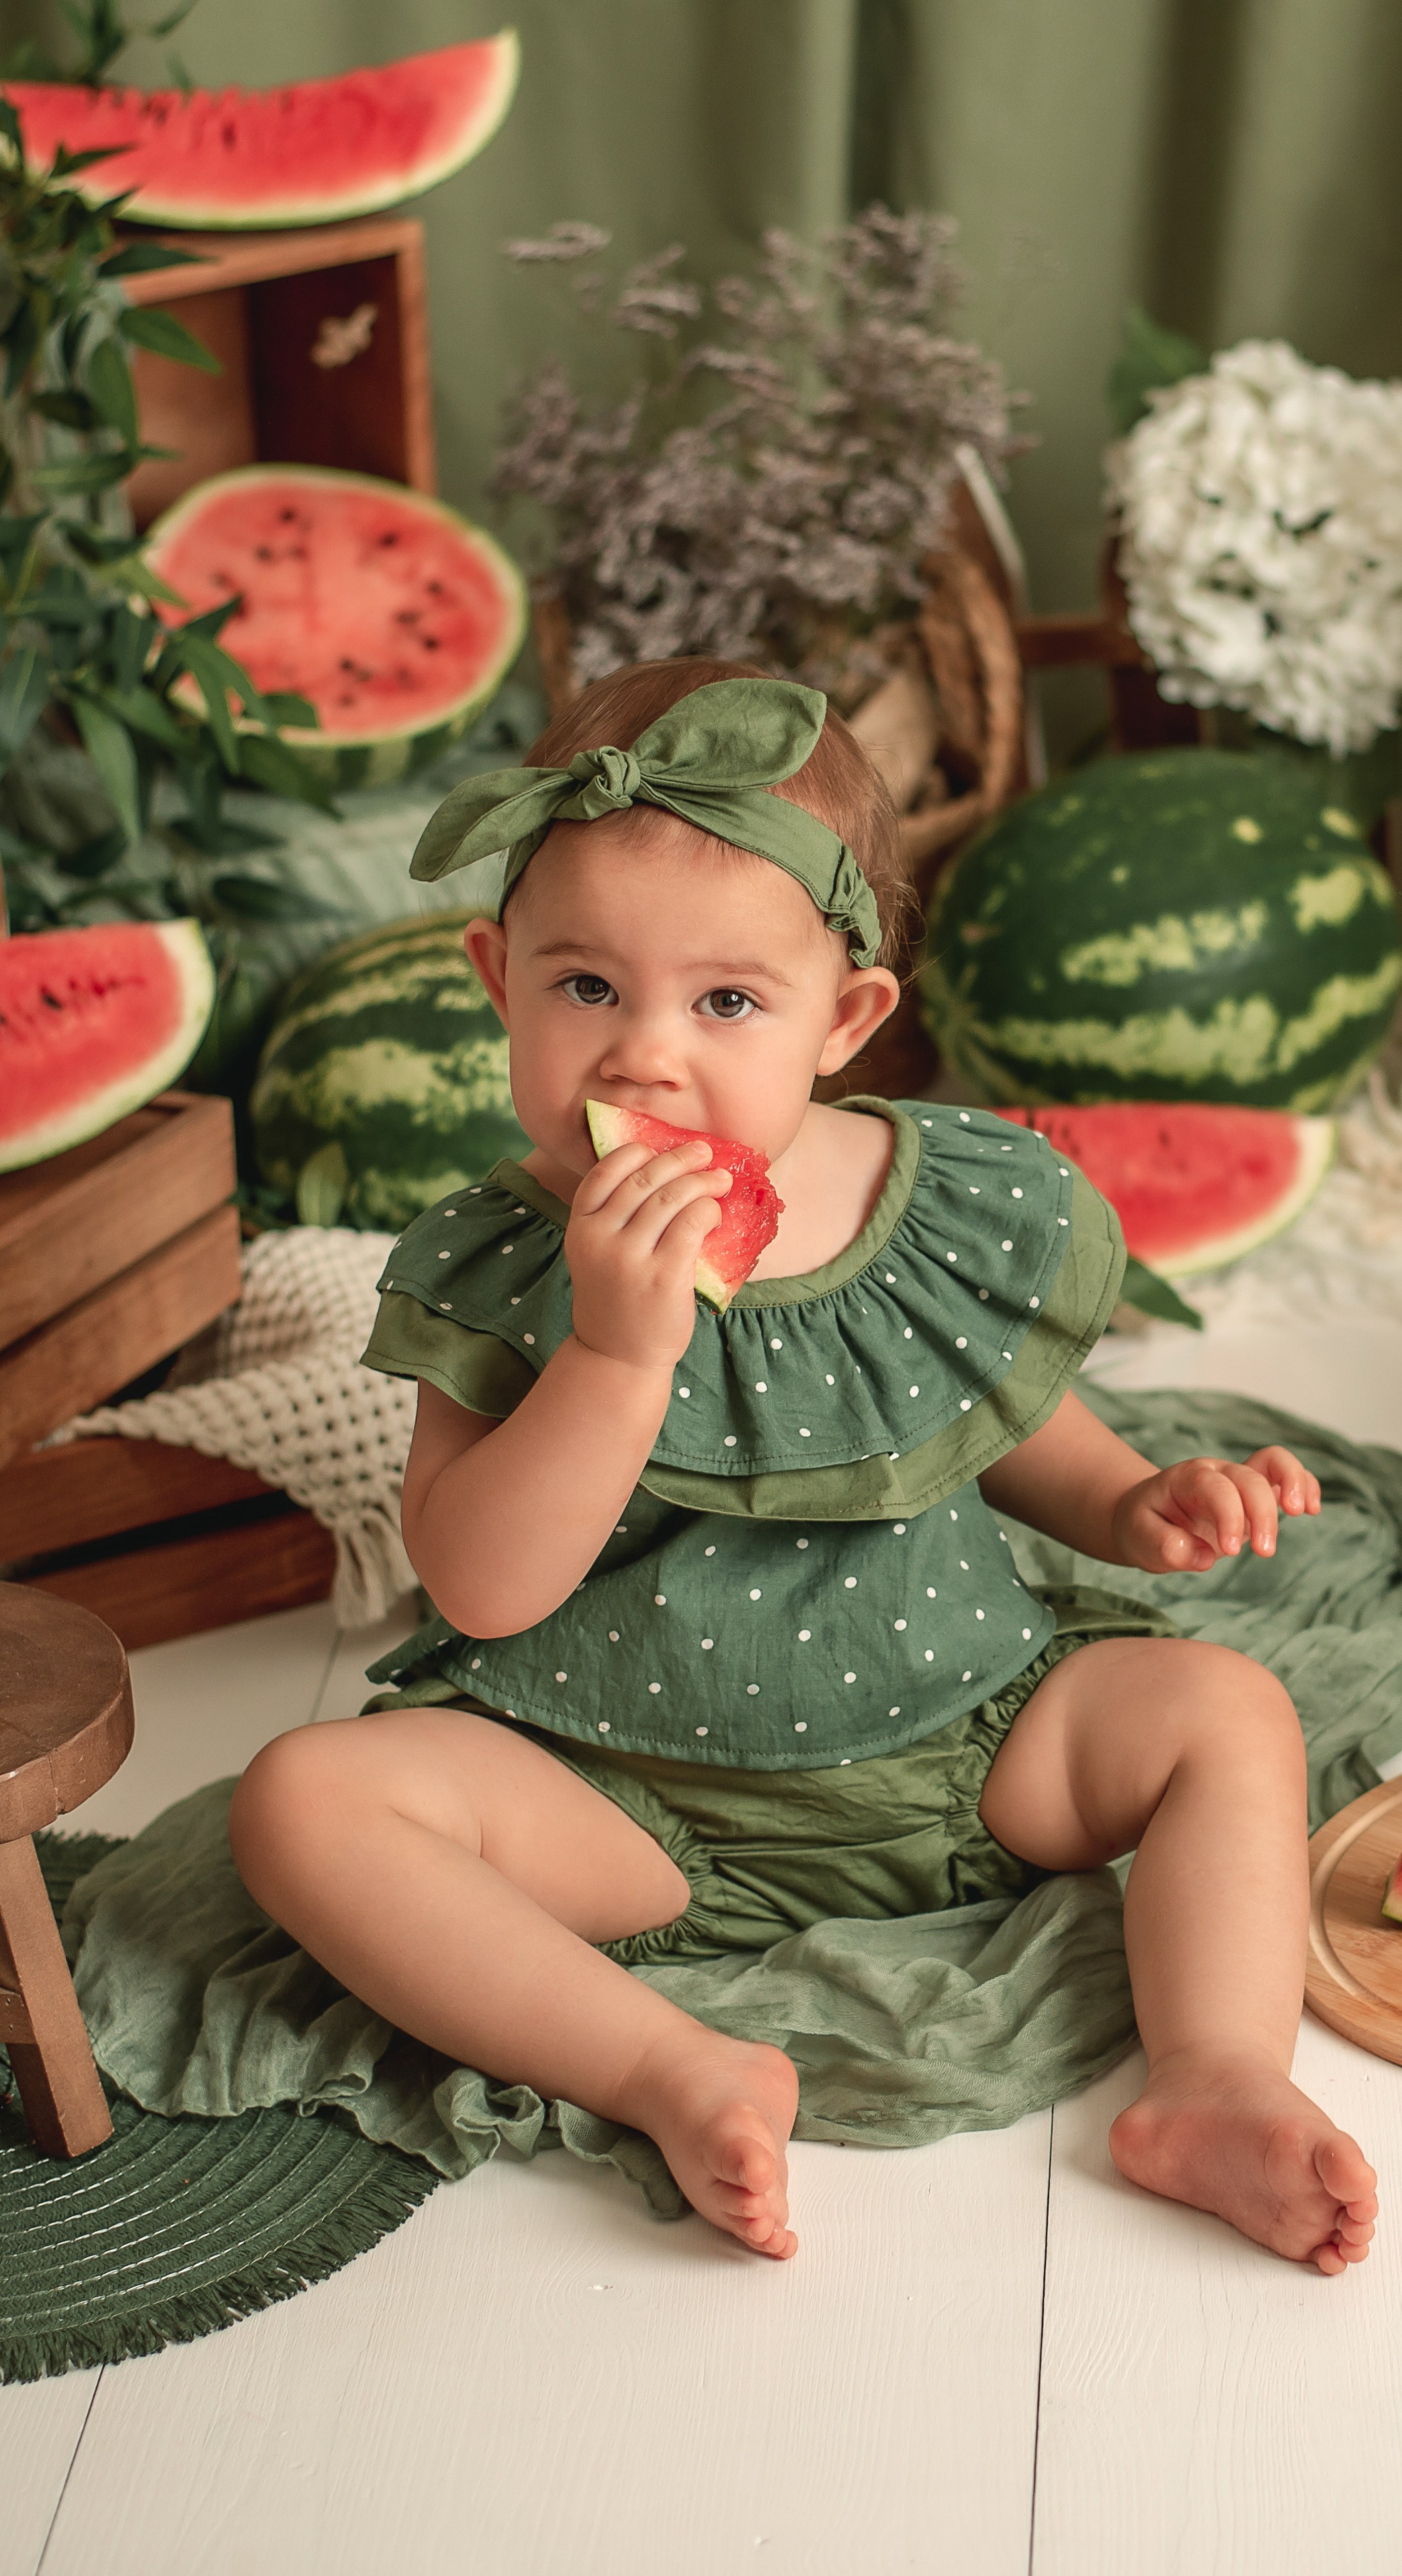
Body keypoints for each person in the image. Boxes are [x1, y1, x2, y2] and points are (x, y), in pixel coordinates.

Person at [230, 658, 1378, 2272]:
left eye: (722, 1003)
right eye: (582, 989)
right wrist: (616, 1355)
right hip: (620, 1790)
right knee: (303, 1801)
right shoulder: (493, 1259)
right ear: (495, 977)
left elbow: (985, 1410)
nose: (641, 1061)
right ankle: (662, 2064)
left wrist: (1126, 1498)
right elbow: (481, 1580)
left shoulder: (935, 1199)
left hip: (968, 1740)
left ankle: (1208, 2079)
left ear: (840, 1022)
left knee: (1223, 1714)